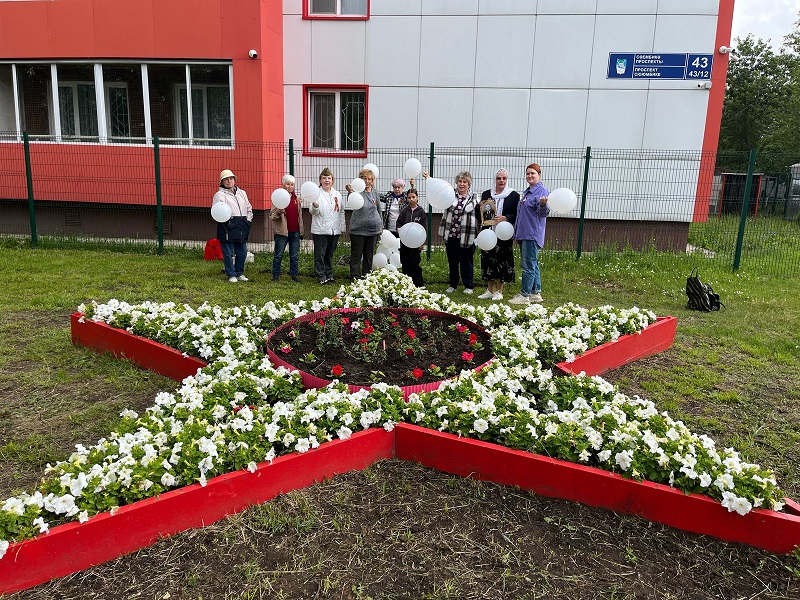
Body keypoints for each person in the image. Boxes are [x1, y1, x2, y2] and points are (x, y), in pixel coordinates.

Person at [429, 170, 479, 294]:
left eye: (464, 182)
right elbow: (438, 192)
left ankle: (468, 285)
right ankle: (453, 284)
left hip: (467, 235)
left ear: (469, 184)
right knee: (452, 261)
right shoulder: (450, 195)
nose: (461, 184)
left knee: (466, 261)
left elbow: (479, 216)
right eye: (459, 181)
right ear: (456, 183)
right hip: (452, 234)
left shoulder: (475, 198)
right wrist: (430, 179)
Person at [509, 163, 549, 305]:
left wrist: (543, 205)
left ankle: (524, 295)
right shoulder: (528, 192)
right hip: (524, 233)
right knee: (533, 264)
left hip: (531, 234)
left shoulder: (541, 191)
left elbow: (543, 213)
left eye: (533, 173)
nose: (530, 175)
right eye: (528, 173)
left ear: (539, 175)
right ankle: (535, 293)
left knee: (528, 265)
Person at [477, 169, 519, 301]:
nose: (501, 181)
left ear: (507, 180)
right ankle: (489, 290)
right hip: (488, 232)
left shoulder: (513, 195)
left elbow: (517, 214)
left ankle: (499, 291)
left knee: (502, 260)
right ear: (494, 179)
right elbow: (480, 214)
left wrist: (505, 218)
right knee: (488, 260)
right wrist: (485, 209)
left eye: (504, 178)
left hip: (504, 233)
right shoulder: (486, 194)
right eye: (499, 178)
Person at [213, 169, 253, 283]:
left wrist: (248, 221)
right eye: (226, 179)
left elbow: (249, 208)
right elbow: (217, 211)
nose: (229, 181)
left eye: (231, 178)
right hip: (227, 228)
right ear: (222, 182)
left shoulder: (242, 193)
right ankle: (231, 274)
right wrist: (228, 223)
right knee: (228, 253)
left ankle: (239, 272)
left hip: (242, 227)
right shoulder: (219, 195)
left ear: (234, 180)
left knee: (242, 252)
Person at [309, 167, 345, 285]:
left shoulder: (337, 194)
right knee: (320, 254)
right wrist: (315, 206)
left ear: (332, 180)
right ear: (320, 180)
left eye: (329, 178)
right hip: (320, 230)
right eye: (324, 178)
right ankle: (321, 275)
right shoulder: (316, 193)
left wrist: (342, 227)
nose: (327, 180)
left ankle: (329, 274)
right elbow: (313, 212)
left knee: (329, 254)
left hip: (334, 229)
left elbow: (341, 211)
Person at [345, 168, 383, 280]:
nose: (367, 181)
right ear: (360, 180)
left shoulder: (375, 192)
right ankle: (355, 277)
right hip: (358, 230)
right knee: (356, 255)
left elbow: (379, 209)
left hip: (373, 230)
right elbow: (351, 200)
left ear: (372, 180)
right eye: (365, 179)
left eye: (370, 179)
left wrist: (381, 226)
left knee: (369, 256)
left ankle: (366, 277)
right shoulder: (356, 192)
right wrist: (349, 192)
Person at [270, 174, 305, 282]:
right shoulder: (279, 198)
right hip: (282, 232)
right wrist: (278, 211)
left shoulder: (296, 199)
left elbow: (299, 216)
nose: (290, 186)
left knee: (294, 256)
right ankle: (276, 274)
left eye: (292, 184)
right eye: (288, 184)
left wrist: (301, 231)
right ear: (283, 185)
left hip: (295, 231)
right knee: (278, 255)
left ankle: (294, 274)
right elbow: (272, 216)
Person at [395, 188, 426, 287]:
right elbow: (399, 224)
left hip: (416, 244)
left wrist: (421, 243)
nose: (411, 199)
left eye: (413, 197)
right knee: (405, 263)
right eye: (409, 197)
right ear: (407, 199)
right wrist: (401, 232)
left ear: (417, 197)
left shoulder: (421, 212)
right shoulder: (404, 211)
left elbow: (424, 228)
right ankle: (406, 284)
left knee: (414, 263)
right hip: (405, 244)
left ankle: (418, 284)